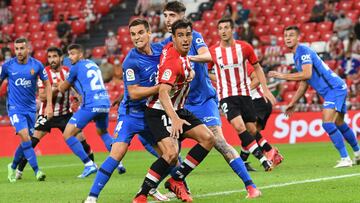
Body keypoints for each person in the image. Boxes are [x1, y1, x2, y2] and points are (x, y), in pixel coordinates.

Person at [161, 1, 261, 199]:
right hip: (180, 104)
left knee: (219, 142)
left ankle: (250, 186)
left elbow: (208, 56)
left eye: (171, 15)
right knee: (171, 150)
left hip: (204, 102)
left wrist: (188, 60)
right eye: (165, 16)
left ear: (182, 16)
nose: (167, 20)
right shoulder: (166, 46)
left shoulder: (195, 37)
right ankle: (180, 184)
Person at [84, 19, 169, 203]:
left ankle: (150, 187)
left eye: (140, 32)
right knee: (117, 154)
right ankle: (91, 197)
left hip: (151, 115)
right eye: (133, 34)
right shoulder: (130, 60)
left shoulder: (161, 50)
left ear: (149, 33)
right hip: (131, 115)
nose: (136, 37)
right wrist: (161, 87)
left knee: (171, 158)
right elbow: (134, 92)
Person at [133, 19, 214, 203]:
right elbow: (162, 92)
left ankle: (176, 179)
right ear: (173, 38)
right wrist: (175, 119)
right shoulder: (173, 61)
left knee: (208, 138)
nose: (185, 39)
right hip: (159, 111)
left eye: (188, 34)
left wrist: (190, 73)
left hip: (178, 108)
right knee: (170, 154)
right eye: (181, 36)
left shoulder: (175, 50)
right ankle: (141, 194)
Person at [191, 17, 276, 171]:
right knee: (238, 126)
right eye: (220, 28)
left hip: (244, 94)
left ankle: (260, 155)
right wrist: (218, 78)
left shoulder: (244, 48)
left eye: (226, 28)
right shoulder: (213, 51)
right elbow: (205, 70)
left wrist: (266, 89)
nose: (223, 31)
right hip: (226, 96)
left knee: (251, 130)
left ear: (232, 29)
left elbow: (257, 68)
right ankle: (263, 159)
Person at [268, 25, 360, 168]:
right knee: (339, 123)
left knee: (327, 123)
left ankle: (345, 158)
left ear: (298, 37)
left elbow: (307, 74)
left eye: (291, 35)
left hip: (334, 89)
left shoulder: (303, 51)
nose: (288, 38)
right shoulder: (297, 55)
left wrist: (282, 76)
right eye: (286, 36)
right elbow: (305, 83)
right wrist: (293, 102)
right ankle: (358, 154)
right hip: (337, 87)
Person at [14, 47, 95, 180]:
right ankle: (19, 170)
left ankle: (91, 165)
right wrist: (57, 88)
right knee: (32, 142)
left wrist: (79, 97)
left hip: (65, 113)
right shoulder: (43, 73)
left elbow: (75, 87)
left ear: (61, 58)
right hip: (47, 114)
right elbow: (42, 96)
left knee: (81, 139)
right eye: (50, 57)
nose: (52, 60)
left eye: (54, 56)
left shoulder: (67, 72)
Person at [58, 44, 114, 178]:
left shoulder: (75, 67)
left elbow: (62, 88)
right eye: (69, 54)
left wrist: (59, 84)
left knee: (67, 134)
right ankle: (119, 161)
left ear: (80, 55)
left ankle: (89, 164)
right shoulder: (93, 64)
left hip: (91, 104)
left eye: (73, 54)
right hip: (104, 102)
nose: (70, 57)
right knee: (103, 132)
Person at [1, 38, 53, 182]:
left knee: (27, 140)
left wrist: (49, 105)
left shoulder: (36, 65)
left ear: (28, 48)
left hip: (30, 109)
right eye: (16, 49)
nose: (18, 51)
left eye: (21, 48)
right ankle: (37, 171)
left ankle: (12, 165)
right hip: (14, 108)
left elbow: (47, 84)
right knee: (25, 136)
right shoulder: (8, 66)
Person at [246, 62, 284, 170]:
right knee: (251, 134)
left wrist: (242, 91)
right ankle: (273, 156)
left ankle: (269, 150)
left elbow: (257, 79)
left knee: (248, 130)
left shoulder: (245, 64)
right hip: (262, 102)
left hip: (258, 101)